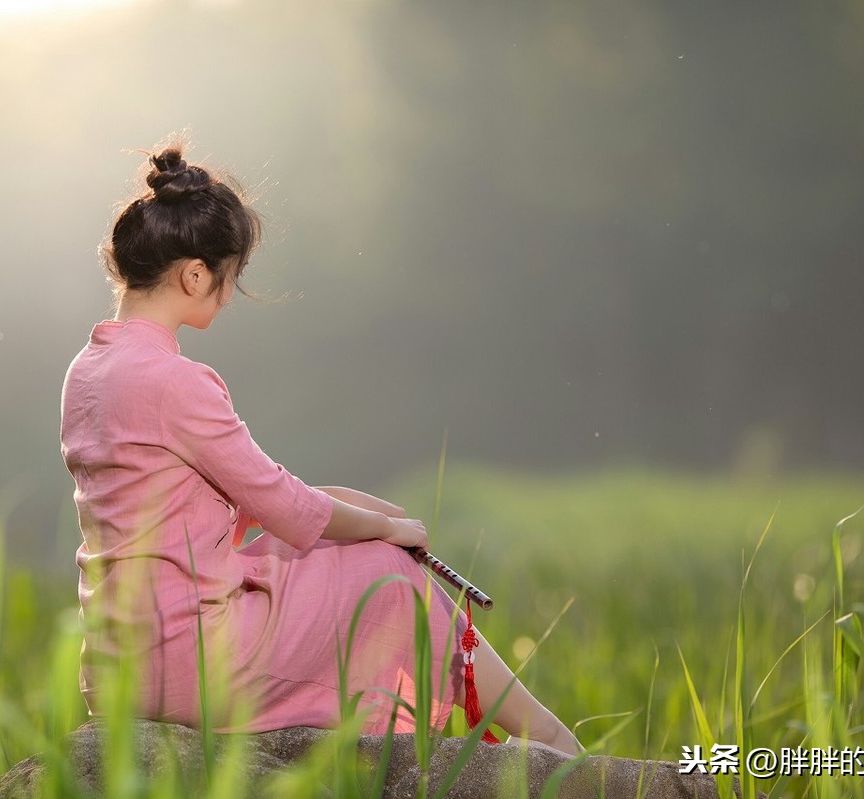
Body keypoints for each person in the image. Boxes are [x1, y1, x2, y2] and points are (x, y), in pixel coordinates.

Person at [59, 142, 582, 755]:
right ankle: (543, 737)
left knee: (336, 547)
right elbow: (283, 507)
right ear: (195, 275)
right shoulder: (177, 381)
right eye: (229, 278)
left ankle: (531, 732)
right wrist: (388, 532)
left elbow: (233, 502)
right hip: (192, 662)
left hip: (118, 667)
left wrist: (365, 516)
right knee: (388, 575)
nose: (229, 295)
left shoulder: (88, 370)